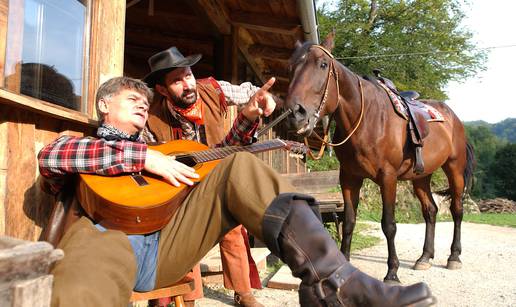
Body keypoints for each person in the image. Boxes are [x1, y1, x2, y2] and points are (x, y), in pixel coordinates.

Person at [38, 76, 436, 307]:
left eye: (145, 101)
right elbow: (53, 155)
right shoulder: (79, 142)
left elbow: (214, 158)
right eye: (132, 100)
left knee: (239, 165)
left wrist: (246, 119)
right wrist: (143, 159)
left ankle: (335, 284)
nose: (143, 106)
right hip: (105, 240)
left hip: (167, 244)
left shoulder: (164, 147)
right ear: (104, 105)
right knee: (81, 285)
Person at [142, 46, 273, 307]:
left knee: (233, 230)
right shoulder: (150, 118)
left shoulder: (213, 89)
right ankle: (186, 296)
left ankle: (243, 293)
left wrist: (265, 100)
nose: (187, 84)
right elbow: (147, 158)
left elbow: (249, 91)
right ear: (162, 90)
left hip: (218, 177)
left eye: (188, 75)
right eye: (177, 81)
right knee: (182, 237)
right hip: (178, 185)